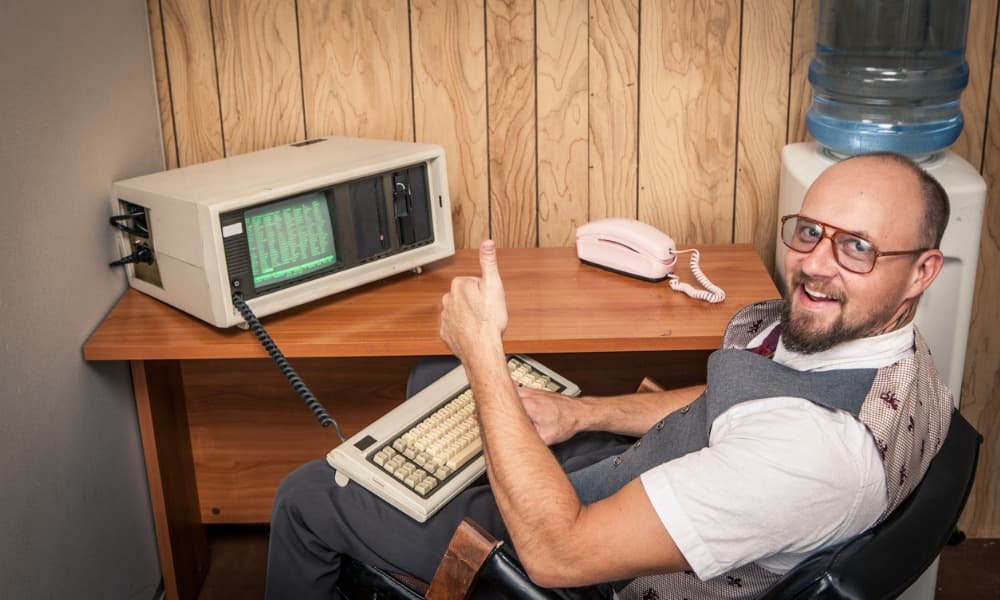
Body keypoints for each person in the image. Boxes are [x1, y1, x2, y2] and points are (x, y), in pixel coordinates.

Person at [265, 152, 954, 599]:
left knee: (306, 495)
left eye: (857, 248)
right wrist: (582, 413)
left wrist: (484, 352)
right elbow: (741, 400)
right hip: (651, 480)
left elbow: (557, 555)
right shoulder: (887, 360)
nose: (815, 265)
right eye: (809, 232)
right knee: (435, 375)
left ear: (922, 270)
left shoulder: (812, 456)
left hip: (580, 559)